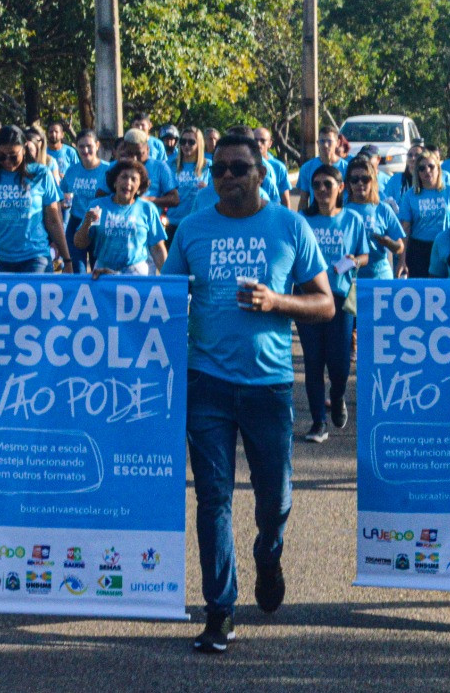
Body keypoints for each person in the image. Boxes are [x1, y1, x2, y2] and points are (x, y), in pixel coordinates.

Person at [162, 134, 334, 654]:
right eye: (220, 170)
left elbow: (326, 304)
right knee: (213, 498)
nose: (229, 177)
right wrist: (109, 288)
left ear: (262, 173)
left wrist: (277, 301)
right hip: (206, 383)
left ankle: (269, 551)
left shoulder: (288, 225)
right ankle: (220, 609)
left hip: (267, 385)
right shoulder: (191, 229)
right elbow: (163, 301)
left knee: (274, 499)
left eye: (239, 168)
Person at [299, 166, 370, 443]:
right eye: (316, 185)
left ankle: (337, 396)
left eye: (327, 184)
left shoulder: (352, 219)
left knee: (339, 364)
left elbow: (365, 255)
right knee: (313, 361)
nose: (321, 190)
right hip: (309, 296)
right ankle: (318, 422)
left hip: (342, 296)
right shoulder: (302, 219)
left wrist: (356, 260)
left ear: (341, 188)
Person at [0, 126, 69, 272]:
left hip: (35, 256)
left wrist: (67, 259)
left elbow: (54, 219)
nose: (7, 161)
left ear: (24, 149)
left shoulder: (41, 174)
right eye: (1, 156)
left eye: (13, 156)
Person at [72, 159, 168, 275]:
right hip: (103, 273)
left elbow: (157, 249)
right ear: (115, 181)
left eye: (134, 179)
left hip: (136, 273)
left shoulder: (147, 209)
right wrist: (86, 224)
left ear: (139, 186)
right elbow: (79, 243)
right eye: (124, 177)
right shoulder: (98, 206)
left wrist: (169, 280)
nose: (128, 182)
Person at [344, 157, 405, 280]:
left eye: (365, 179)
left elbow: (400, 247)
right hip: (350, 279)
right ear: (348, 183)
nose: (360, 183)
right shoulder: (341, 210)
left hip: (380, 278)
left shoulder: (383, 209)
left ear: (372, 181)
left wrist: (388, 242)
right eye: (355, 180)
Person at [61, 131, 111, 273]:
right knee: (78, 269)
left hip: (99, 223)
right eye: (81, 146)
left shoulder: (108, 170)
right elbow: (61, 194)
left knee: (99, 268)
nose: (85, 150)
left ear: (97, 145)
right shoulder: (72, 170)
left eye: (89, 146)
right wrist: (63, 203)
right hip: (76, 222)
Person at [396, 149, 450, 279]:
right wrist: (402, 260)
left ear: (438, 168)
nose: (427, 171)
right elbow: (405, 229)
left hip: (446, 245)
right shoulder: (410, 195)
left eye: (431, 166)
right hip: (419, 249)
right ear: (417, 173)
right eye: (421, 168)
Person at [115, 129, 179, 212]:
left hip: (148, 218)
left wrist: (147, 200)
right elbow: (101, 195)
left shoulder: (160, 167)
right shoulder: (117, 166)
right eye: (130, 154)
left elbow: (175, 199)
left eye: (139, 154)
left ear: (148, 150)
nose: (135, 159)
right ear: (124, 150)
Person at [165, 127, 210, 237]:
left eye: (191, 142)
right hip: (172, 222)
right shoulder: (170, 165)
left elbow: (216, 194)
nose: (186, 145)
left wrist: (207, 189)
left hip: (197, 222)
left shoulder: (208, 166)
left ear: (199, 144)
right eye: (183, 141)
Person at [294, 128, 346, 211]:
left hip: (340, 218)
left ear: (338, 143)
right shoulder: (307, 168)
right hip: (315, 217)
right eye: (322, 141)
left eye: (329, 141)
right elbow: (304, 199)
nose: (325, 145)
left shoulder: (346, 168)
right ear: (317, 143)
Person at [252, 126, 292, 206]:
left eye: (262, 141)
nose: (258, 144)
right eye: (255, 140)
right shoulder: (244, 164)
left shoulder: (279, 167)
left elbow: (285, 200)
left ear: (270, 143)